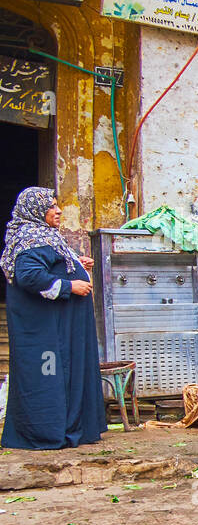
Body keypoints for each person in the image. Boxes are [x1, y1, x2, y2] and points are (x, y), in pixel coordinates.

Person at [1, 187, 106, 450]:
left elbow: (51, 263)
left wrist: (75, 265)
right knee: (47, 374)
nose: (58, 210)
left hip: (58, 329)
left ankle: (71, 428)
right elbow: (29, 276)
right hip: (44, 334)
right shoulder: (31, 239)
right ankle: (47, 433)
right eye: (51, 206)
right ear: (36, 211)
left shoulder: (44, 236)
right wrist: (71, 287)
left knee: (61, 374)